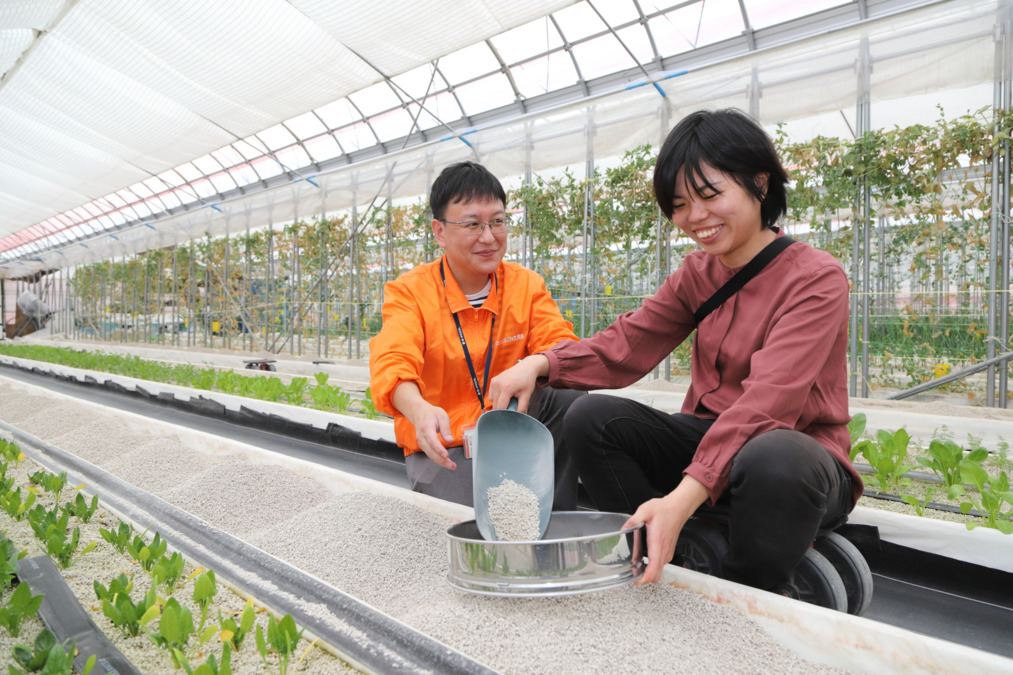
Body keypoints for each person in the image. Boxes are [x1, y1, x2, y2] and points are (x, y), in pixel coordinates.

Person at [488, 108, 862, 592]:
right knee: (590, 418)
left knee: (772, 456)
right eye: (679, 204)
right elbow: (630, 342)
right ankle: (656, 549)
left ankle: (746, 593)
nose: (694, 218)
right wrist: (541, 363)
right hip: (710, 439)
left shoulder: (815, 278)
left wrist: (685, 495)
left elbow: (769, 403)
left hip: (795, 456)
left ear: (760, 184)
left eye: (710, 196)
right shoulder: (698, 274)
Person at [369, 161, 584, 507]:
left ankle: (553, 519)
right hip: (447, 447)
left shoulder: (525, 286)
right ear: (439, 232)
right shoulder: (410, 292)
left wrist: (535, 364)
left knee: (571, 396)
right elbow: (392, 362)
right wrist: (419, 410)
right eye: (472, 224)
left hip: (513, 435)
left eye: (497, 221)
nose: (489, 237)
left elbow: (562, 346)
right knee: (478, 523)